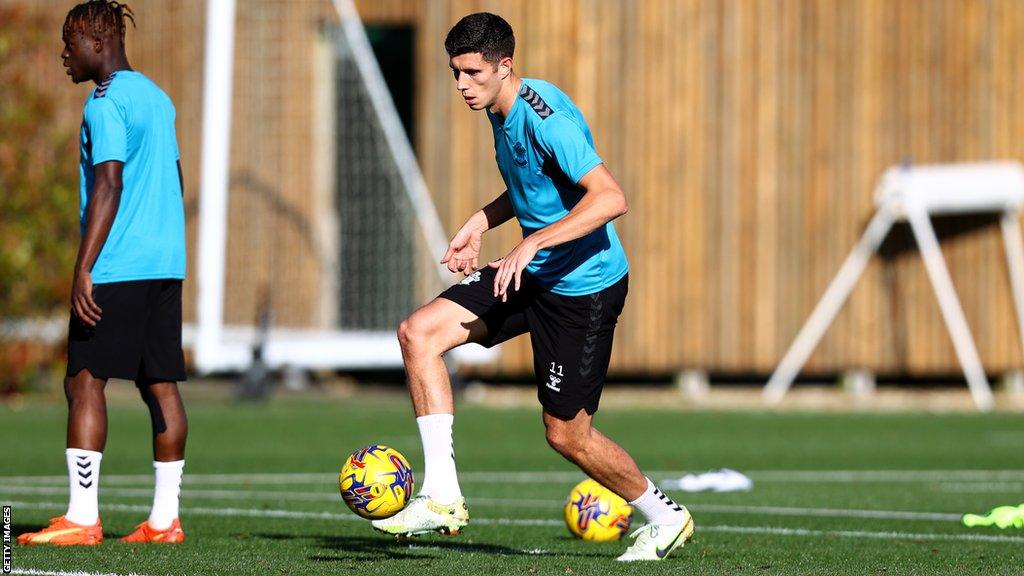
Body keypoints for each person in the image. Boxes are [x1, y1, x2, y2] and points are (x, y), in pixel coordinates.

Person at [371, 12, 693, 562]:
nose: (461, 86)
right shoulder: (498, 110)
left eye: (472, 73)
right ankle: (442, 495)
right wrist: (480, 222)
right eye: (454, 73)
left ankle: (667, 517)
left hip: (584, 290)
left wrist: (533, 243)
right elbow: (532, 185)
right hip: (531, 272)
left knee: (566, 436)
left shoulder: (545, 118)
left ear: (505, 66)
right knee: (418, 334)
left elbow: (611, 198)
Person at [18, 0, 188, 546]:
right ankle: (165, 523)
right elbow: (175, 181)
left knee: (85, 379)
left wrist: (83, 267)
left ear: (96, 40)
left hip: (118, 264)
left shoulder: (104, 102)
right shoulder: (158, 98)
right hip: (166, 263)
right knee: (160, 385)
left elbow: (109, 185)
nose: (63, 54)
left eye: (69, 43)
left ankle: (82, 517)